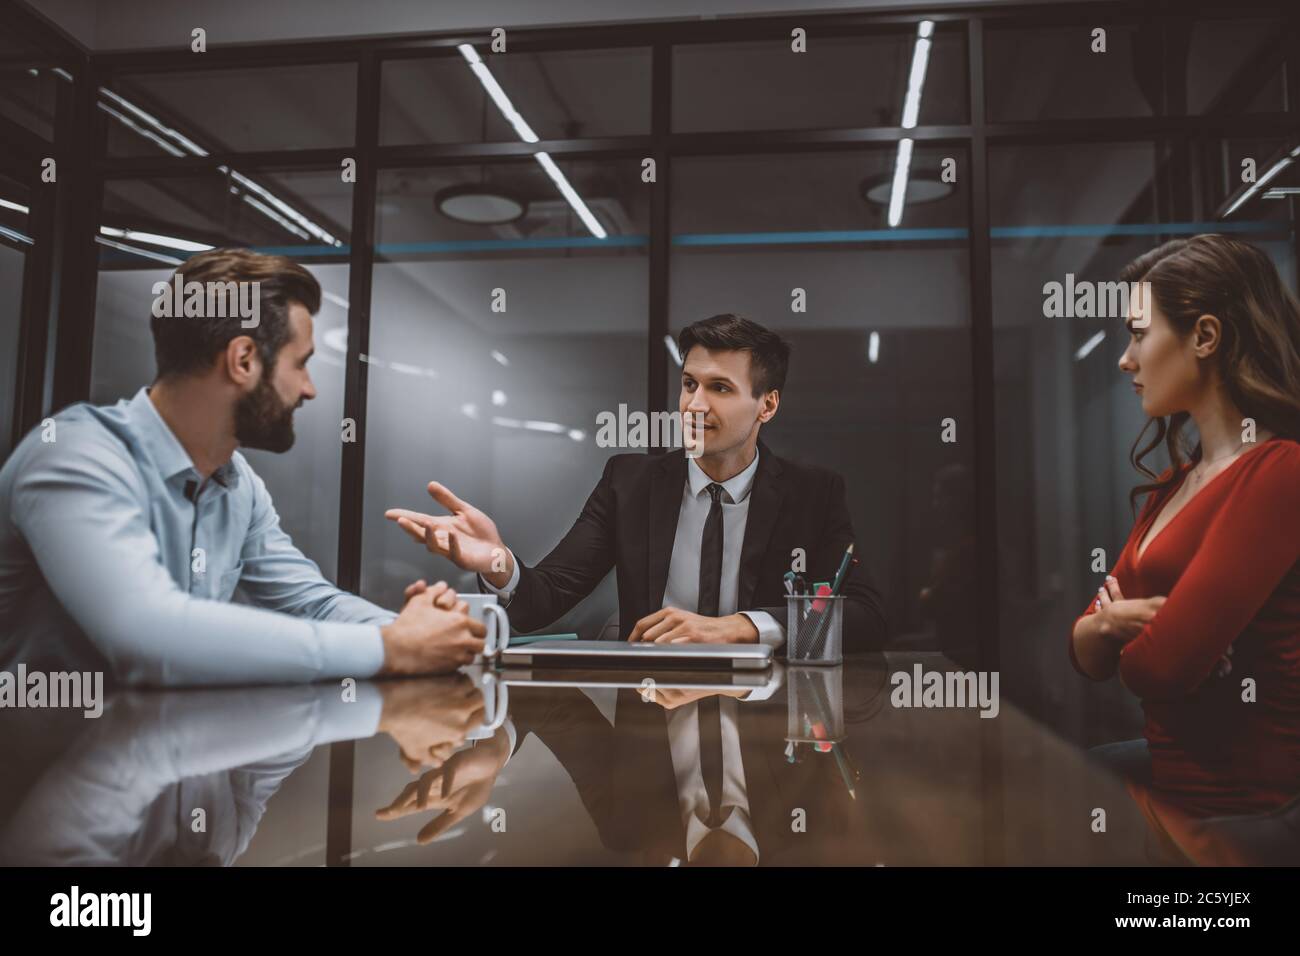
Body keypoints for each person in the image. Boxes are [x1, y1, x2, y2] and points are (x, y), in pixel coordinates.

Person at [0, 248, 485, 686]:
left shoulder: (237, 483)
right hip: (48, 769)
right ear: (244, 360)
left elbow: (312, 602)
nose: (310, 389)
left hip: (162, 758)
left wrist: (422, 632)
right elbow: (148, 637)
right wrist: (391, 648)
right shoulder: (76, 456)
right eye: (301, 363)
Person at [386, 313, 886, 650]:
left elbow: (864, 617)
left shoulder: (814, 494)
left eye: (720, 388)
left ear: (767, 405)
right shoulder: (629, 481)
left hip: (769, 728)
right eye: (689, 384)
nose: (693, 405)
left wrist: (740, 627)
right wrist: (497, 562)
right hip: (649, 723)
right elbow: (543, 601)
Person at [1069, 234, 1300, 818]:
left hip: (1239, 817)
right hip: (1173, 798)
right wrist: (1113, 627)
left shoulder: (1279, 473)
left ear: (1204, 337)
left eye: (1140, 334)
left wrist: (1118, 629)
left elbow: (1159, 668)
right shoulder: (1178, 480)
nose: (1126, 358)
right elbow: (1083, 651)